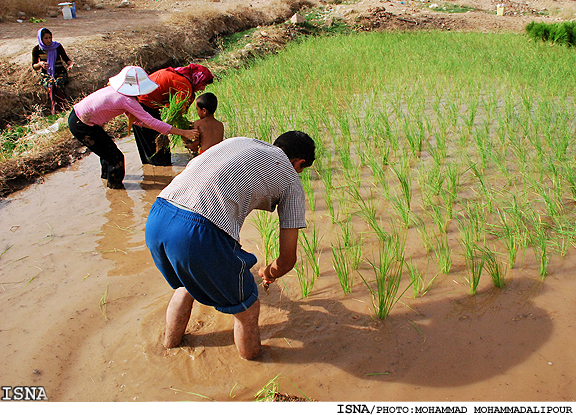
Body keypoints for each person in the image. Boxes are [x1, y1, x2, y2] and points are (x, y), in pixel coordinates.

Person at [145, 132, 316, 360]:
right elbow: (287, 260)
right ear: (299, 163)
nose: (298, 174)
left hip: (159, 214)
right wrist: (268, 272)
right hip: (198, 232)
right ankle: (255, 368)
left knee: (187, 285)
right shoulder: (291, 181)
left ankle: (169, 346)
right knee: (248, 309)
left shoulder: (240, 141)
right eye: (300, 170)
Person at [68, 66, 199, 189]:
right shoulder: (127, 100)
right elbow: (152, 121)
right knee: (116, 159)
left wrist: (155, 126)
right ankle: (115, 193)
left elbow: (139, 121)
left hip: (78, 118)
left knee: (107, 153)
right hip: (82, 126)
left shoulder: (116, 90)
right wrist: (183, 132)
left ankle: (106, 181)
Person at [133, 64, 214, 166]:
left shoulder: (179, 76)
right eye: (203, 84)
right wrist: (187, 139)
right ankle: (160, 174)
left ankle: (149, 169)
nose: (202, 89)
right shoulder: (185, 87)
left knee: (148, 150)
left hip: (139, 100)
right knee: (160, 157)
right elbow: (176, 118)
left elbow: (175, 115)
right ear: (197, 79)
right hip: (143, 105)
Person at [32, 28, 75, 115]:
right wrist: (40, 64)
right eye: (45, 38)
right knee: (51, 84)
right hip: (47, 74)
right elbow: (34, 66)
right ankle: (56, 107)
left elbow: (66, 59)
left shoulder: (57, 46)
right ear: (41, 38)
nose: (48, 40)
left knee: (58, 83)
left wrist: (70, 64)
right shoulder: (37, 49)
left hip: (60, 72)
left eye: (49, 37)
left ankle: (63, 106)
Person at [184, 92, 224, 156]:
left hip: (205, 154)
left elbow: (197, 142)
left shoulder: (198, 123)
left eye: (197, 109)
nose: (197, 112)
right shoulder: (220, 124)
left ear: (204, 111)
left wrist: (188, 145)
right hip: (218, 155)